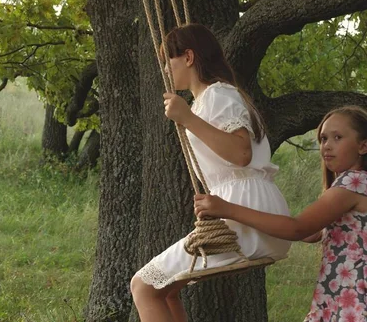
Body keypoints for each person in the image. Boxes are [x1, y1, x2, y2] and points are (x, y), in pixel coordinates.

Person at [130, 23, 291, 322]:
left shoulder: (219, 94)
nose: (165, 68)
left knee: (142, 285)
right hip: (244, 211)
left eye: (169, 60)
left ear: (188, 57)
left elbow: (240, 154)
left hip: (246, 215)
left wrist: (187, 118)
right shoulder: (209, 99)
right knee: (165, 290)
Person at [194, 105, 367, 321]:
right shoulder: (356, 186)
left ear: (363, 146)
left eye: (337, 137)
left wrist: (227, 209)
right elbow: (310, 233)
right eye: (323, 139)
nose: (327, 146)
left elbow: (297, 228)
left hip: (352, 300)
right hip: (345, 296)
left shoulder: (352, 184)